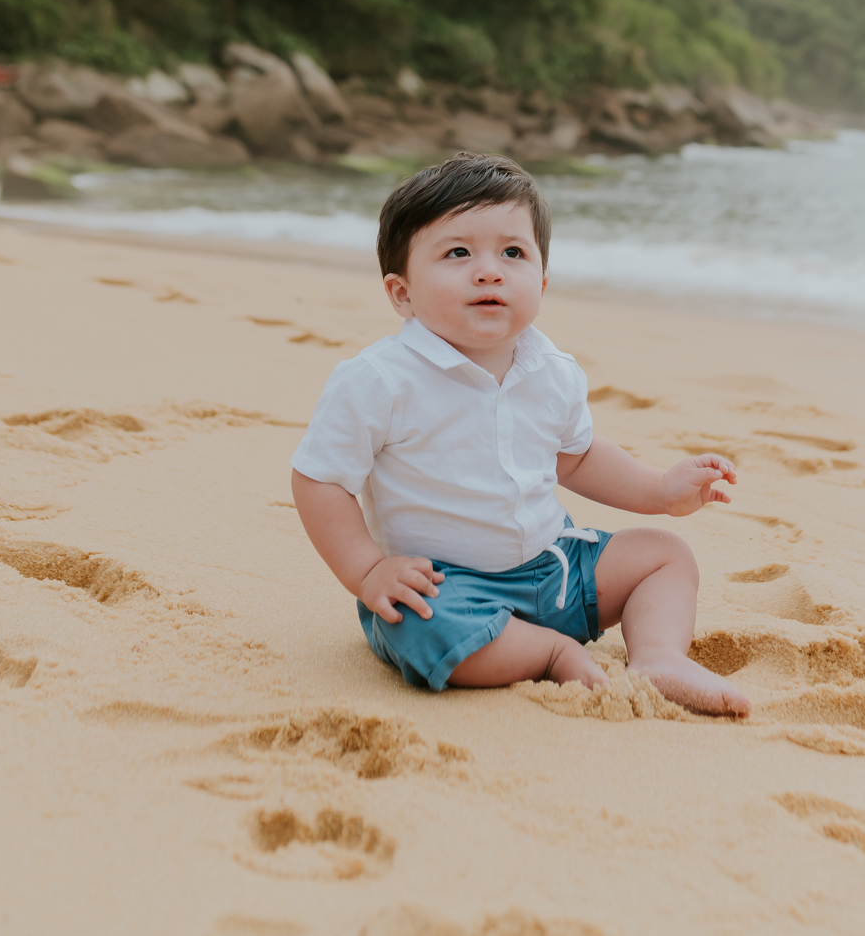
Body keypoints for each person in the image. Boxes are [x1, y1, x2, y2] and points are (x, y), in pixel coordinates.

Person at [291, 151, 751, 717]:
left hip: (553, 569)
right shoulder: (380, 380)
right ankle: (551, 654)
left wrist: (659, 490)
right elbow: (320, 480)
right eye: (458, 253)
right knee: (417, 628)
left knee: (665, 556)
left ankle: (657, 655)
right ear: (401, 293)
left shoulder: (552, 370)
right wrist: (367, 571)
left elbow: (575, 460)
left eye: (513, 253)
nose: (489, 270)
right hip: (444, 587)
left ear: (542, 279)